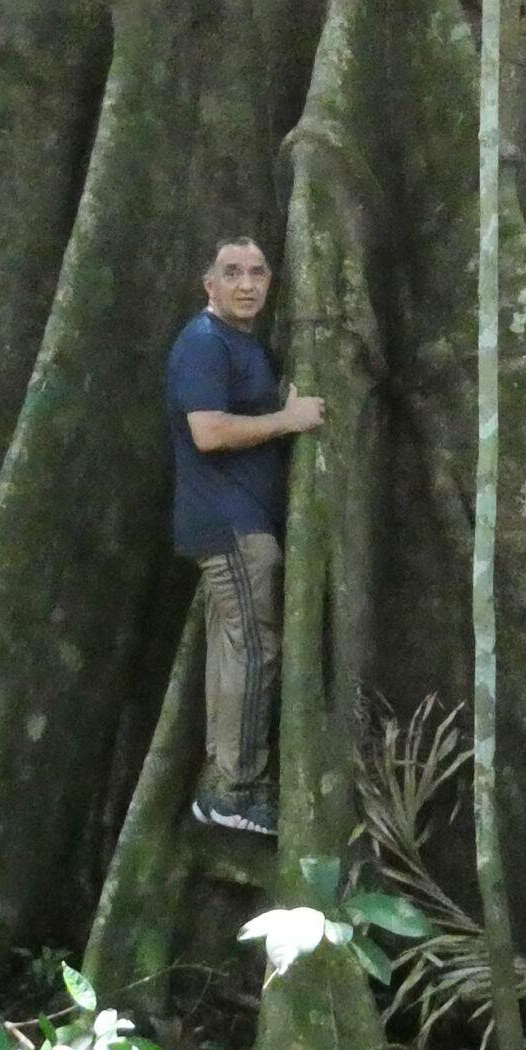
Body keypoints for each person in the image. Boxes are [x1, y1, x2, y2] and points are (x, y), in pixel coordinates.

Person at [165, 239, 325, 836]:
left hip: (244, 521)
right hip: (229, 524)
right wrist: (289, 419)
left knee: (234, 649)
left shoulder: (243, 344)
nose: (247, 284)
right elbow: (207, 432)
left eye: (257, 272)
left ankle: (221, 780)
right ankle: (236, 789)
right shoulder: (203, 343)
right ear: (209, 284)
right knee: (256, 648)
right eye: (232, 273)